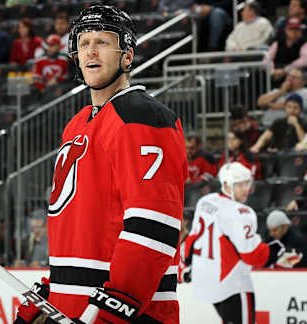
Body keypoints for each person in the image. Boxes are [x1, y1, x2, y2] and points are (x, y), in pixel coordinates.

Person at [15, 5, 188, 324]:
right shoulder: (77, 124)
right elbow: (81, 228)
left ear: (126, 55)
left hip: (129, 313)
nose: (91, 50)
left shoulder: (143, 116)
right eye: (83, 43)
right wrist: (54, 293)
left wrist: (113, 308)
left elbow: (153, 226)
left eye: (103, 42)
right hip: (74, 308)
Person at [183, 162, 302, 324]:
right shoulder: (240, 213)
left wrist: (189, 265)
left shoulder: (206, 201)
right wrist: (278, 250)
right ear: (226, 185)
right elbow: (253, 256)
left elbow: (191, 240)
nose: (246, 189)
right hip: (232, 285)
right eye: (239, 184)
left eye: (248, 183)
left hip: (206, 282)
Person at [267, 17, 307, 83]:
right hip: (275, 73)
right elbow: (267, 58)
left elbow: (305, 60)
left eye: (297, 29)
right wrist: (272, 71)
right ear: (286, 30)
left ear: (300, 31)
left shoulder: (304, 43)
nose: (294, 32)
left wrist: (285, 70)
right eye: (291, 29)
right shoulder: (277, 43)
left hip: (294, 74)